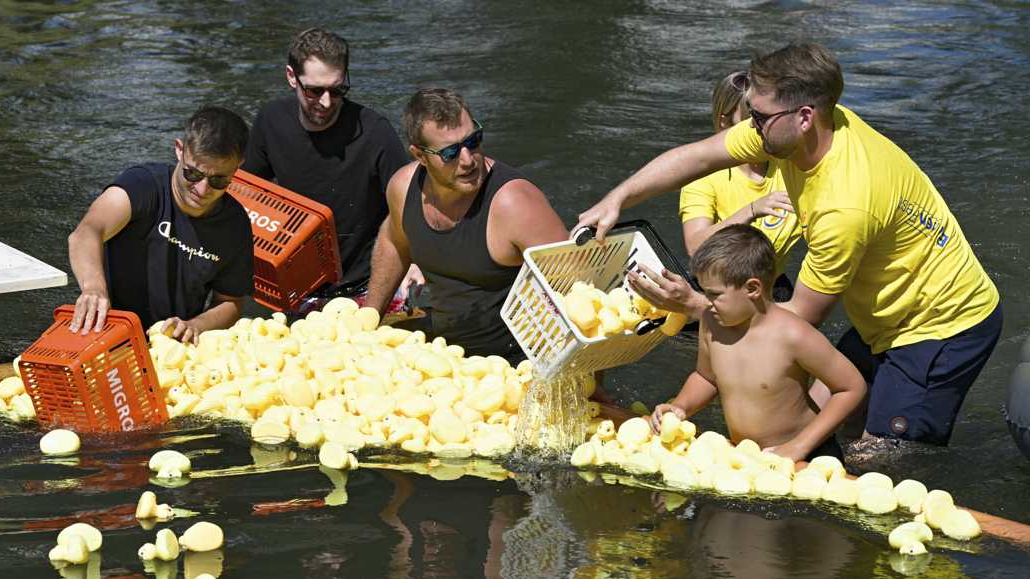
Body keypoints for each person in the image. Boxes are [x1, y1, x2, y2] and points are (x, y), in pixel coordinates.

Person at [580, 43, 1001, 446]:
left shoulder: (844, 207)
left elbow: (797, 318)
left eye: (759, 116)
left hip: (941, 327)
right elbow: (698, 157)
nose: (752, 125)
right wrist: (617, 198)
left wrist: (691, 305)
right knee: (816, 421)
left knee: (881, 457)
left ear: (804, 117)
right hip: (887, 313)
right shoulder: (800, 130)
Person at [363, 88, 568, 363]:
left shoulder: (514, 204)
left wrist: (591, 383)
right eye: (449, 152)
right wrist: (367, 323)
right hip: (447, 353)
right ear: (420, 156)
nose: (468, 160)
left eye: (473, 141)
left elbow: (580, 292)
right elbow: (393, 245)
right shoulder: (403, 187)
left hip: (515, 363)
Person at [650, 225, 865, 462]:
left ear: (752, 288)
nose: (706, 303)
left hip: (807, 454)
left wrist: (798, 447)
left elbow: (851, 387)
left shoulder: (793, 334)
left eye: (715, 294)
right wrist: (681, 406)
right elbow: (706, 377)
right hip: (748, 456)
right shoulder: (712, 323)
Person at [243, 27, 418, 312]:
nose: (326, 102)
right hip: (297, 287)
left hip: (368, 285)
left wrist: (416, 262)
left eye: (337, 90)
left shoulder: (375, 132)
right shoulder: (270, 121)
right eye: (314, 90)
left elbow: (412, 206)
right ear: (291, 77)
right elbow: (246, 195)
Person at [67, 106, 253, 344]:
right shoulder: (142, 185)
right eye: (193, 174)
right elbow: (87, 232)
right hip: (105, 331)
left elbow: (230, 303)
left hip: (171, 346)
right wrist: (94, 288)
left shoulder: (234, 224)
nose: (202, 189)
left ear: (238, 166)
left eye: (219, 180)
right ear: (179, 150)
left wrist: (195, 326)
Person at [679, 70, 801, 302]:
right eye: (751, 118)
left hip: (775, 288)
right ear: (725, 122)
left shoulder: (790, 163)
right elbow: (695, 247)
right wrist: (752, 210)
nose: (762, 128)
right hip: (717, 290)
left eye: (767, 118)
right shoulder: (703, 176)